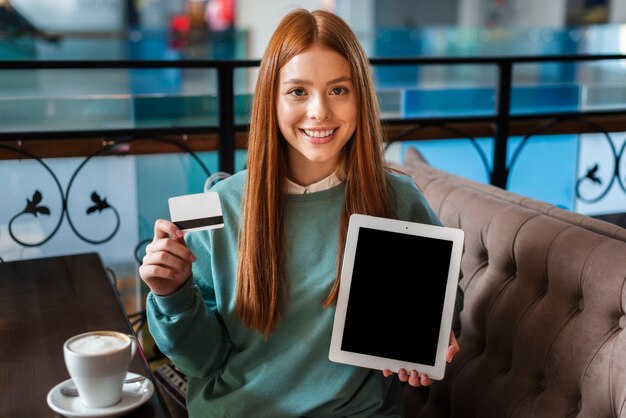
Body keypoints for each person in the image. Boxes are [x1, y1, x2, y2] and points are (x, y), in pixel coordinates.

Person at [140, 8, 462, 417]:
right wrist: (170, 294)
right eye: (297, 92)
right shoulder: (219, 206)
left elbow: (445, 290)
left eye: (338, 90)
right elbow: (200, 360)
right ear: (270, 101)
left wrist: (434, 328)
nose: (319, 111)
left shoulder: (396, 198)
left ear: (360, 97)